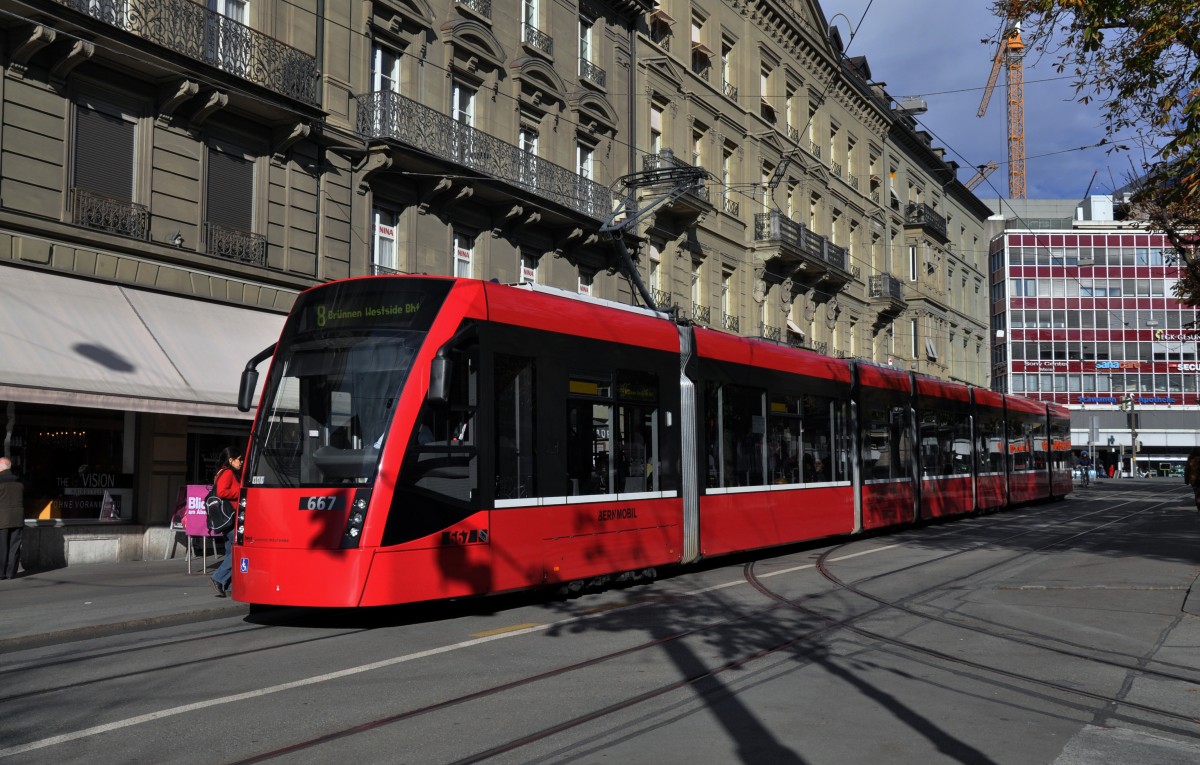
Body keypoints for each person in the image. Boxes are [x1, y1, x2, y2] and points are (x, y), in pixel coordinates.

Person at [209, 447, 244, 598]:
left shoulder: (221, 472)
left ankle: (229, 586)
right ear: (231, 460)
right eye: (239, 459)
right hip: (230, 517)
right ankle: (218, 577)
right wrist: (241, 493)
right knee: (238, 550)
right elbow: (221, 492)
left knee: (231, 550)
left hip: (225, 518)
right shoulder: (228, 472)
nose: (241, 462)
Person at [0, 457, 24, 579]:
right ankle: (11, 573)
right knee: (14, 546)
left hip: (2, 519)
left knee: (2, 546)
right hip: (18, 518)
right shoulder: (19, 481)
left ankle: (1, 573)